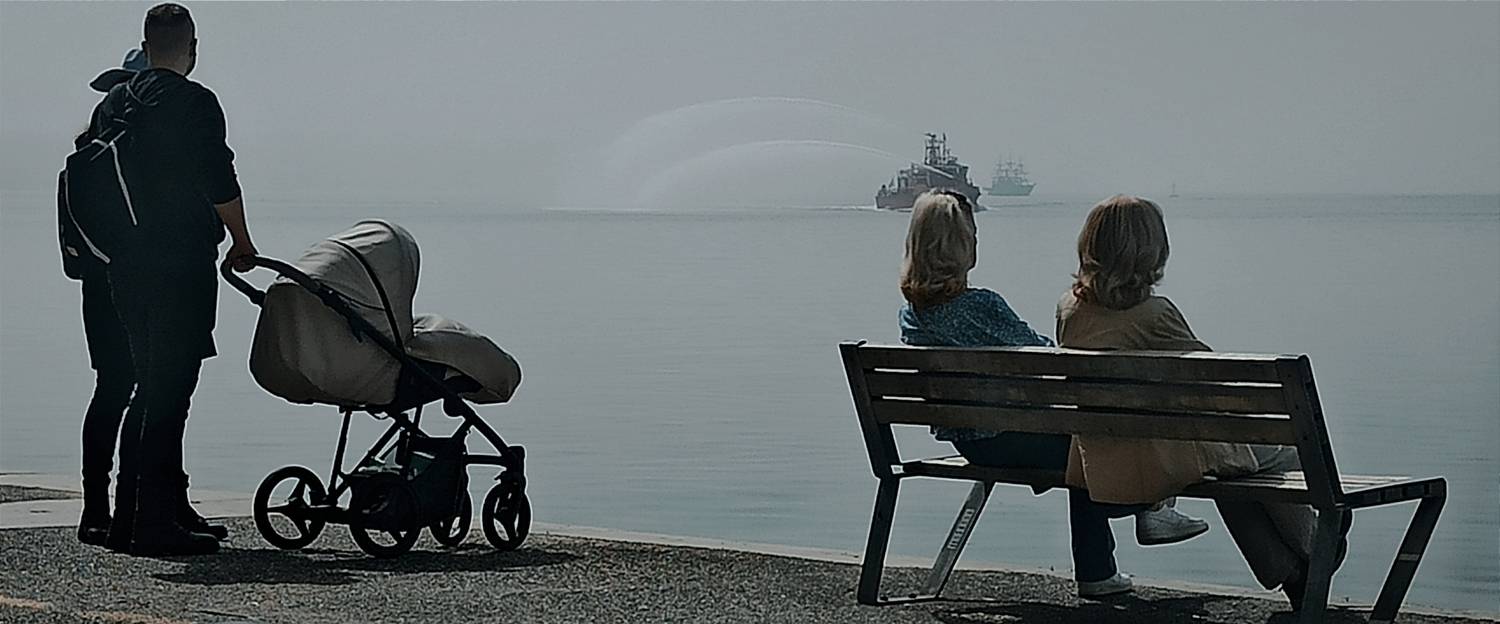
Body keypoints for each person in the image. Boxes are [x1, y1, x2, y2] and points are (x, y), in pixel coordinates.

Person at [896, 190, 1209, 599]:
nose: (976, 242)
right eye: (971, 235)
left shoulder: (912, 315)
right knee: (1088, 443)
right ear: (959, 247)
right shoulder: (979, 306)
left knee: (1081, 438)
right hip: (1006, 437)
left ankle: (1112, 556)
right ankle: (1142, 519)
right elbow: (1044, 357)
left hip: (970, 441)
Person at [1056, 194, 1348, 607]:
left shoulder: (1069, 309)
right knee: (1278, 451)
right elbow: (1212, 379)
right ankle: (1317, 546)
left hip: (1098, 463)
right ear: (1152, 251)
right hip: (1159, 461)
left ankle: (1290, 573)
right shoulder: (1155, 314)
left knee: (1234, 470)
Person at [78, 3, 257, 556]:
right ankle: (154, 523)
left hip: (125, 268)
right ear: (193, 48)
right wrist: (243, 241)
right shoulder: (197, 102)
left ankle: (128, 519)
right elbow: (219, 178)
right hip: (181, 266)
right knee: (169, 393)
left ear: (145, 44)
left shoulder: (114, 103)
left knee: (147, 389)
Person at [62, 49, 150, 547]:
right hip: (127, 281)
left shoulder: (90, 150)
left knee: (121, 389)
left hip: (99, 282)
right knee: (140, 390)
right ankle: (109, 506)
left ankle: (106, 506)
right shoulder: (123, 148)